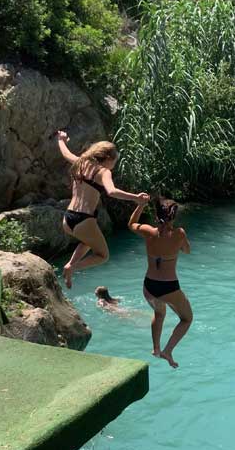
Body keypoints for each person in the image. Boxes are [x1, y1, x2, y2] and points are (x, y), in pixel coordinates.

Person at [56, 131, 149, 288]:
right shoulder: (104, 172)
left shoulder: (80, 163)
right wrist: (136, 198)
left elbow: (66, 153)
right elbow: (111, 192)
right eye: (114, 161)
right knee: (103, 255)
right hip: (84, 220)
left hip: (68, 218)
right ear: (107, 158)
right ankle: (72, 268)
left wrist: (60, 139)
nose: (114, 165)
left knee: (87, 241)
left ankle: (71, 264)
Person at [129, 197, 192, 368]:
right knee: (187, 319)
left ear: (156, 216)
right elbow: (187, 250)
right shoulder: (179, 233)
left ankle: (156, 348)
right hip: (169, 287)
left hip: (149, 286)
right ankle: (168, 350)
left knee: (159, 313)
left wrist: (140, 205)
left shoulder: (148, 231)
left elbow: (132, 223)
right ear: (173, 217)